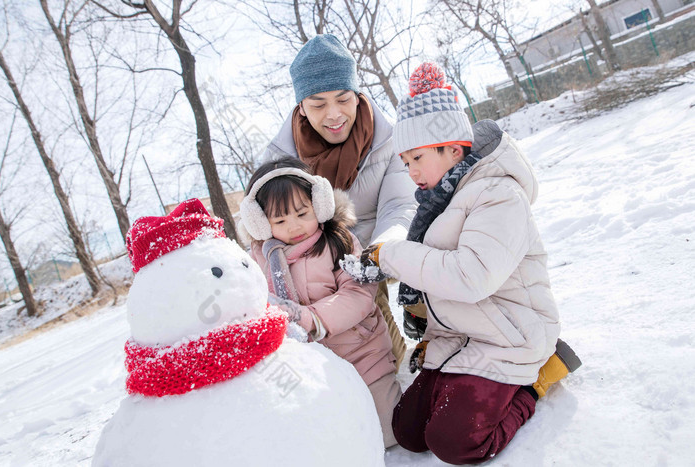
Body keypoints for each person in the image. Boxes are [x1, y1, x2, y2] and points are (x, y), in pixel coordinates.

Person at [351, 63, 581, 464]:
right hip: (460, 337)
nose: (411, 172)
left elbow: (471, 277)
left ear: (453, 147)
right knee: (407, 430)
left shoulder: (497, 194)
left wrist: (392, 256)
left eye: (417, 157)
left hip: (509, 335)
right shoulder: (439, 202)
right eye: (405, 162)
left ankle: (538, 380)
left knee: (456, 442)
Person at [262, 34, 419, 368]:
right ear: (300, 107)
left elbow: (400, 206)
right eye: (318, 104)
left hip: (378, 251)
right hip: (317, 266)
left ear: (358, 96)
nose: (333, 114)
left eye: (343, 99)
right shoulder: (280, 160)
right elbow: (269, 227)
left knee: (381, 350)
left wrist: (376, 254)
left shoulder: (387, 139)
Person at [239, 157, 402, 448]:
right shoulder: (259, 260)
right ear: (260, 223)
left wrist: (310, 319)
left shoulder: (339, 241)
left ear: (320, 203)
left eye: (302, 213)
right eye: (280, 220)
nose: (294, 227)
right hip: (308, 370)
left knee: (387, 433)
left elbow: (358, 294)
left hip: (362, 356)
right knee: (325, 440)